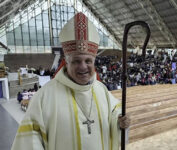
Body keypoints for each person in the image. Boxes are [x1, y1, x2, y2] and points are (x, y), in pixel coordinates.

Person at [12, 12, 130, 150]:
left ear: (94, 63)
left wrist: (120, 123)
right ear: (66, 63)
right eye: (76, 61)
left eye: (88, 61)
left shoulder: (101, 89)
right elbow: (29, 142)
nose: (83, 66)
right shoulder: (44, 97)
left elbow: (115, 114)